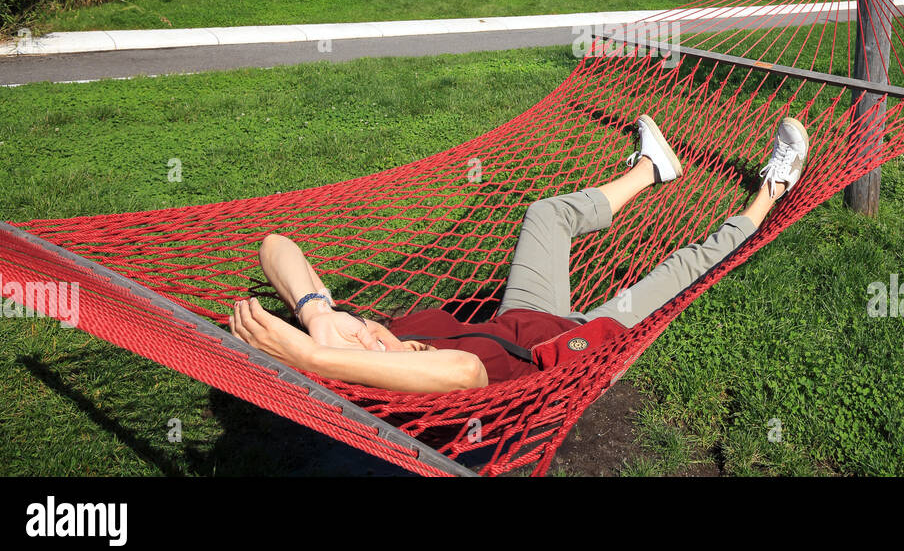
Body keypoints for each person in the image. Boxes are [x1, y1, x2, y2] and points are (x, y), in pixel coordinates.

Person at [230, 114, 810, 392]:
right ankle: (772, 190)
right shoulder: (408, 383)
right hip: (572, 345)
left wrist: (317, 316)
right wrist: (315, 360)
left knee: (544, 214)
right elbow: (462, 369)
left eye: (360, 327)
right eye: (363, 339)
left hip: (522, 314)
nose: (365, 329)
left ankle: (651, 169)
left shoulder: (375, 333)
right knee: (681, 267)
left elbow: (273, 244)